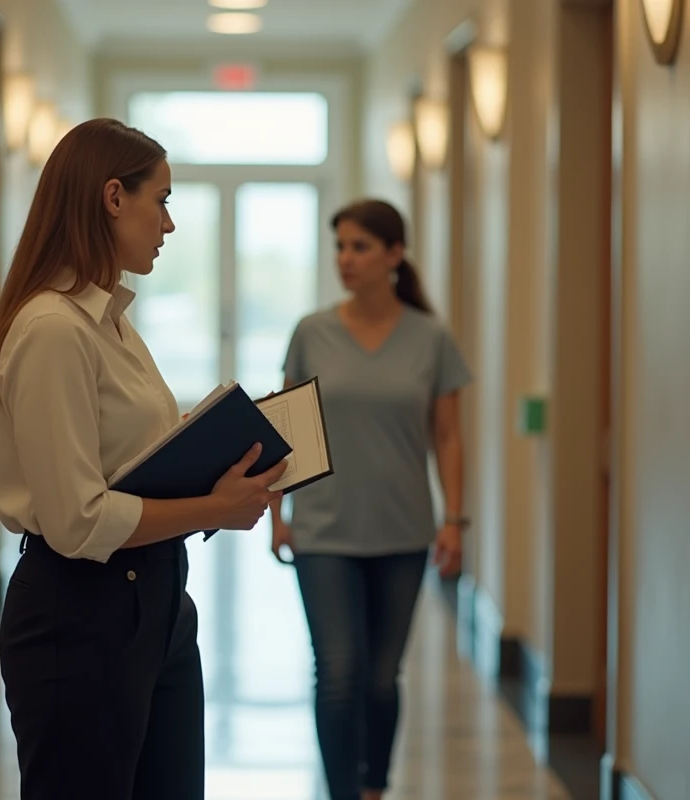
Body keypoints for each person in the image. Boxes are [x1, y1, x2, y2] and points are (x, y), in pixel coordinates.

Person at [0, 117, 288, 800]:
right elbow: (77, 518)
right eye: (165, 201)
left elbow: (117, 454)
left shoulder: (110, 318)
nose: (170, 225)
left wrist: (203, 443)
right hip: (80, 613)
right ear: (113, 197)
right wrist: (215, 507)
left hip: (155, 600)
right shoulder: (53, 330)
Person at [269, 198, 471, 800]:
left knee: (382, 679)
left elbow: (448, 436)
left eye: (359, 247)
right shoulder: (313, 332)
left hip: (403, 532)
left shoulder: (431, 339)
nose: (345, 259)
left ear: (394, 254)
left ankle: (374, 786)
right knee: (336, 673)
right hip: (324, 531)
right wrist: (278, 514)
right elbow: (286, 428)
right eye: (339, 246)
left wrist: (454, 520)